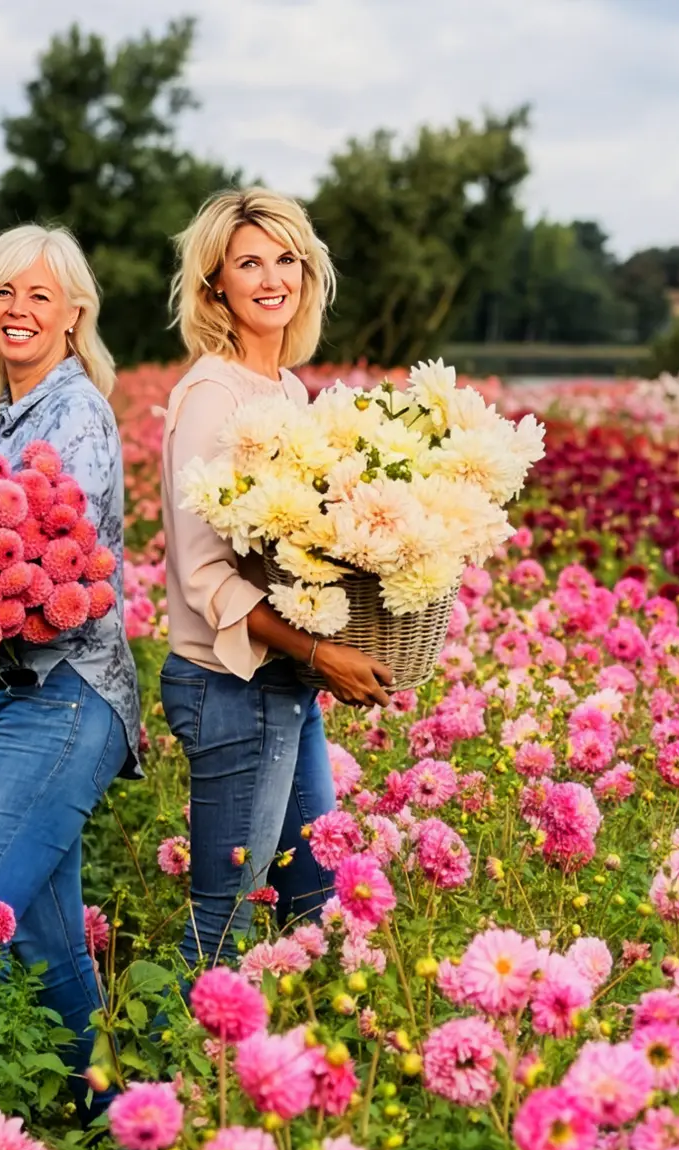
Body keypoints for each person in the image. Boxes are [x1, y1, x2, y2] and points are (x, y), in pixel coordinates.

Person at [160, 187, 393, 969]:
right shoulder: (211, 395)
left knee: (313, 899)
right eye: (248, 262)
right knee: (223, 920)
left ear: (307, 272)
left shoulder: (290, 391)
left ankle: (279, 1066)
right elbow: (203, 574)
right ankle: (165, 1079)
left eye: (286, 259)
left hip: (284, 676)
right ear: (213, 284)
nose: (271, 278)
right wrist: (322, 653)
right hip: (230, 680)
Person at [0, 224, 141, 1111]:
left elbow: (68, 567)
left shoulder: (76, 413)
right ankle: (116, 1130)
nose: (17, 310)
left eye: (39, 296)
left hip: (61, 699)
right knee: (49, 944)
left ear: (73, 316)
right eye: (2, 295)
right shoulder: (10, 413)